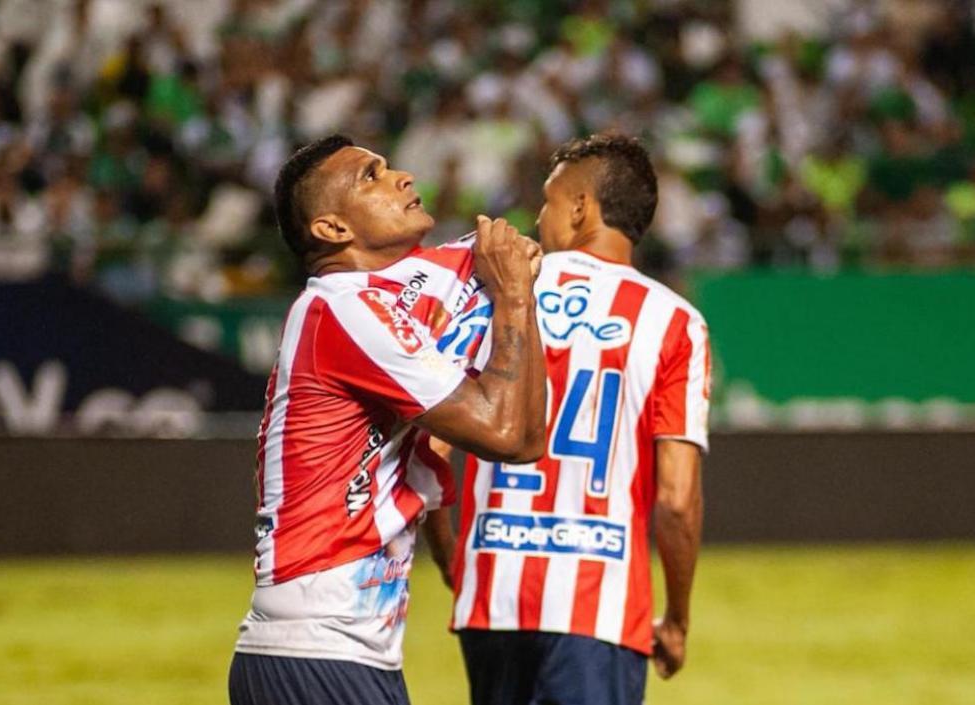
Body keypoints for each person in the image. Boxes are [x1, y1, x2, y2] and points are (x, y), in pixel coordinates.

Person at [229, 134, 547, 705]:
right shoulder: (344, 310)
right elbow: (510, 435)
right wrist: (515, 298)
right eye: (370, 177)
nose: (401, 176)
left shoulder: (373, 303)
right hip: (318, 652)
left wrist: (513, 262)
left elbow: (461, 271)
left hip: (341, 651)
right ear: (331, 230)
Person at [446, 134, 711, 705]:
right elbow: (677, 497)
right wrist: (677, 618)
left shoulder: (495, 295)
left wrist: (454, 567)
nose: (538, 217)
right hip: (601, 606)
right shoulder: (673, 321)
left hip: (492, 598)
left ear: (580, 207)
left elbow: (431, 452)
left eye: (546, 201)